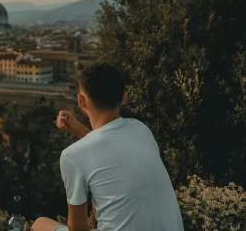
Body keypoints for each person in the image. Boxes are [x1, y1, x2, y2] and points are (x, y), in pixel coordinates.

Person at [31, 63, 184, 231]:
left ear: (81, 100)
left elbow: (77, 229)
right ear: (124, 97)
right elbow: (108, 153)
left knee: (40, 224)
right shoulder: (141, 129)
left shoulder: (72, 156)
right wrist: (78, 129)